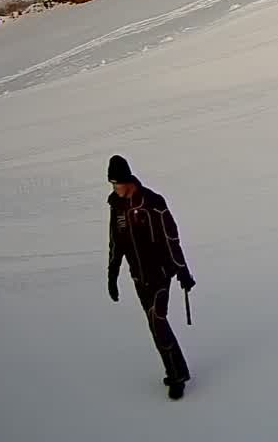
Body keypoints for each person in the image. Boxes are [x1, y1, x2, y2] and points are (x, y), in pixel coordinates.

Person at [106, 155, 196, 399]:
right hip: (139, 277)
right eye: (112, 184)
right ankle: (177, 370)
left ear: (128, 180)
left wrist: (182, 271)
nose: (115, 188)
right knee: (154, 327)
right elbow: (116, 243)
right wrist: (112, 275)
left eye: (117, 183)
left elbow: (171, 239)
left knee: (158, 320)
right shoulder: (117, 207)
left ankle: (177, 377)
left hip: (160, 274)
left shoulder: (153, 203)